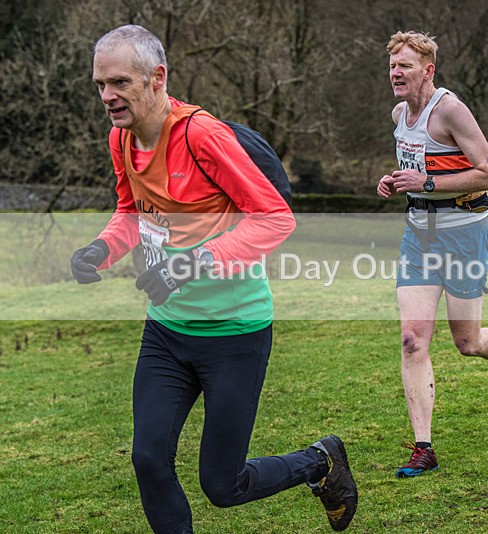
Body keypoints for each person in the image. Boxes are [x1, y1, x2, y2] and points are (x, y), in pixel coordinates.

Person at [70, 24, 356, 533]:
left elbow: (274, 218)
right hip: (166, 333)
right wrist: (101, 249)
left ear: (157, 78)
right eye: (100, 85)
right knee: (148, 458)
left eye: (119, 83)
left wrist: (189, 263)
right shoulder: (122, 138)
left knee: (223, 485)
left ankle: (320, 462)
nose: (107, 97)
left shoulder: (201, 136)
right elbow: (131, 212)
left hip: (234, 335)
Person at [377, 31, 488, 478]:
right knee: (412, 340)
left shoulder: (449, 109)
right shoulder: (398, 114)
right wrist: (396, 182)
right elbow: (421, 170)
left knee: (468, 343)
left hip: (465, 236)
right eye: (392, 65)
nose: (396, 72)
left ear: (428, 71)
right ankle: (423, 449)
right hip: (419, 238)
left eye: (405, 65)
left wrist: (426, 185)